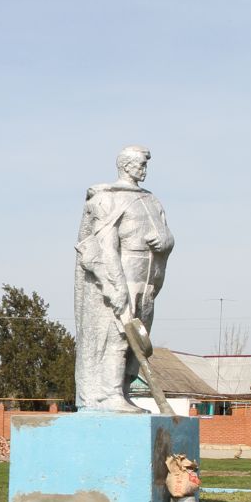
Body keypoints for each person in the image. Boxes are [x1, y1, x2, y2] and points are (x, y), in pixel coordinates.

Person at [73, 146, 173, 412]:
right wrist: (116, 287)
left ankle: (123, 391)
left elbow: (166, 236)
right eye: (141, 164)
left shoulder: (151, 200)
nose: (144, 170)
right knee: (118, 334)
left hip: (146, 280)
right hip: (123, 274)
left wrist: (166, 241)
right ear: (126, 166)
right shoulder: (109, 199)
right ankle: (110, 393)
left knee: (137, 338)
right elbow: (105, 248)